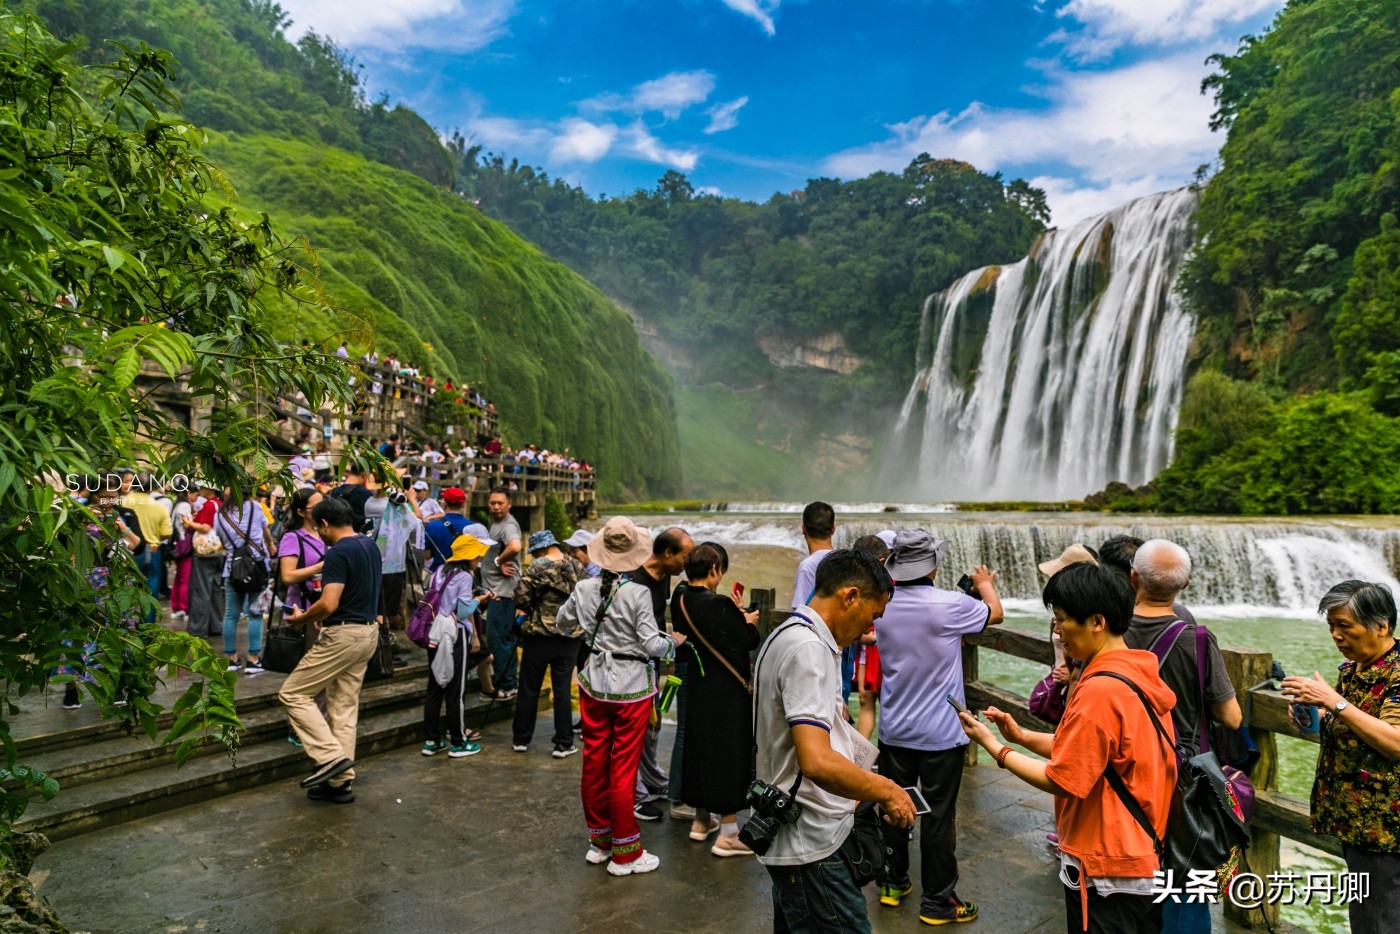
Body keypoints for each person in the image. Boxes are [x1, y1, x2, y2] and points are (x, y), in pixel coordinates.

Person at [958, 562, 1177, 934]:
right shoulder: (1135, 670)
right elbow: (1094, 752)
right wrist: (1022, 736)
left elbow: (1064, 779)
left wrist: (995, 747)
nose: (1057, 633)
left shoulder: (1098, 690)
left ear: (1096, 621)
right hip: (1140, 849)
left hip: (1107, 862)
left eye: (1061, 621)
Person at [754, 549, 916, 933]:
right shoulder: (809, 651)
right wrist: (887, 790)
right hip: (811, 844)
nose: (868, 631)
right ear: (849, 597)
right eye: (872, 616)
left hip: (794, 833)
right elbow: (817, 761)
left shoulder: (787, 634)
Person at [874, 529, 1001, 922]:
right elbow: (995, 614)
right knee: (938, 818)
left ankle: (893, 883)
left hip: (894, 728)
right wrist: (983, 585)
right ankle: (938, 902)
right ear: (933, 566)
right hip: (941, 734)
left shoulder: (883, 603)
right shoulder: (952, 605)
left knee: (895, 808)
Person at [555, 516, 687, 876]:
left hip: (593, 683)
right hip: (630, 688)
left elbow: (562, 623)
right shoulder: (638, 593)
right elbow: (650, 643)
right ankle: (626, 851)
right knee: (623, 768)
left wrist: (591, 638)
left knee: (594, 761)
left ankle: (600, 842)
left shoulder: (584, 588)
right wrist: (673, 644)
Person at [1281, 581, 1400, 934]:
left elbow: (1395, 742)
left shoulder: (1396, 673)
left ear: (1382, 626)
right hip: (1354, 818)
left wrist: (1333, 702)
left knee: (1380, 921)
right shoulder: (1354, 669)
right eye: (1331, 626)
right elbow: (1351, 727)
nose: (1335, 635)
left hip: (1385, 828)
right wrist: (1311, 712)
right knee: (1367, 915)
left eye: (1345, 626)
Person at [281, 497, 384, 804]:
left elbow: (328, 603)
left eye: (318, 528)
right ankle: (339, 783)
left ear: (324, 524)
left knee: (293, 693)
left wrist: (302, 618)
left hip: (343, 635)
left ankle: (329, 758)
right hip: (368, 632)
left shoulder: (339, 552)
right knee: (343, 708)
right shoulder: (369, 545)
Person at [671, 542, 761, 856]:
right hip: (725, 692)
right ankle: (728, 833)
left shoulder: (679, 596)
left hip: (696, 685)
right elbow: (745, 641)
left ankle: (700, 822)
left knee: (699, 748)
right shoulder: (719, 604)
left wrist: (734, 614)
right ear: (714, 570)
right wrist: (747, 620)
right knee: (727, 754)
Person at [628, 526, 694, 821]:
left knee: (651, 727)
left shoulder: (664, 577)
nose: (688, 563)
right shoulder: (633, 579)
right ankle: (635, 794)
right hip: (630, 665)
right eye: (686, 555)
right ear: (668, 553)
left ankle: (652, 778)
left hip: (653, 660)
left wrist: (666, 658)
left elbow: (658, 619)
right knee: (635, 730)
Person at [511, 531, 589, 757]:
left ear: (541, 549)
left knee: (529, 688)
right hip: (569, 637)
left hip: (538, 635)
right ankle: (564, 743)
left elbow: (520, 598)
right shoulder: (576, 566)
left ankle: (521, 739)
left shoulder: (536, 567)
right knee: (562, 689)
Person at [422, 534, 492, 759]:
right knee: (455, 688)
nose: (479, 560)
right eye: (478, 556)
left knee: (434, 686)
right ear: (470, 557)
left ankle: (432, 740)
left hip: (434, 634)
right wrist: (479, 600)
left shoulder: (439, 571)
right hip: (455, 634)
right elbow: (462, 611)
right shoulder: (464, 577)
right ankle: (459, 742)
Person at [214, 490, 273, 672]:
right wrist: (270, 545)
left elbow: (223, 542)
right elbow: (265, 531)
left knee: (231, 614)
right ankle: (253, 659)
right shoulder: (255, 507)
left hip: (233, 569)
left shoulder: (220, 513)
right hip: (257, 567)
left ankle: (231, 658)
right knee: (255, 613)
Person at [480, 487, 524, 699]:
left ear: (509, 504)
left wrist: (499, 561)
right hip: (496, 591)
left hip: (504, 593)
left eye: (500, 503)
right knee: (499, 638)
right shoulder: (497, 523)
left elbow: (515, 546)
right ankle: (507, 681)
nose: (496, 507)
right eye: (492, 503)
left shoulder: (508, 525)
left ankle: (507, 684)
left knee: (500, 639)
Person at [849, 534, 890, 740]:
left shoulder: (891, 583)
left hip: (879, 643)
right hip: (868, 644)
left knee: (884, 697)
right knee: (866, 696)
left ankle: (883, 746)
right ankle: (860, 754)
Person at [122, 473, 172, 624]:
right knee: (149, 594)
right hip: (152, 550)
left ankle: (125, 630)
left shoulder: (123, 503)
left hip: (127, 551)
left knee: (125, 593)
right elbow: (167, 533)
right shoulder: (159, 506)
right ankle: (147, 633)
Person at [373, 490, 424, 631]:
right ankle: (384, 638)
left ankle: (382, 638)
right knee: (385, 610)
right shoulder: (399, 514)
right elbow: (417, 520)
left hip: (378, 564)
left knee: (379, 607)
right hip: (393, 567)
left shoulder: (375, 509)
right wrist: (411, 500)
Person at [185, 481, 225, 639]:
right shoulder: (220, 504)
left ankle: (198, 628)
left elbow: (205, 527)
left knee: (201, 589)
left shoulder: (209, 505)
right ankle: (215, 625)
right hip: (218, 551)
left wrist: (188, 523)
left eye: (202, 487)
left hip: (205, 552)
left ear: (210, 489)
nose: (199, 489)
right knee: (215, 589)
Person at [791, 501, 835, 610]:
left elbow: (801, 612)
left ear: (803, 529)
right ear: (833, 529)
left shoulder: (807, 567)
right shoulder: (845, 560)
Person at [169, 481, 198, 625]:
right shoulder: (185, 505)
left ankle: (176, 607)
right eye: (195, 494)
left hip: (177, 545)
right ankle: (185, 608)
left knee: (178, 576)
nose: (196, 497)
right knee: (185, 578)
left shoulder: (177, 504)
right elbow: (187, 524)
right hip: (185, 546)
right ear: (188, 493)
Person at [424, 487, 470, 571]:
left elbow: (427, 555)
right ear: (463, 504)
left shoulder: (432, 526)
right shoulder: (472, 526)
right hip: (463, 575)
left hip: (438, 574)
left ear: (444, 503)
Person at [328, 466, 373, 534]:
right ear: (364, 474)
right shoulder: (365, 493)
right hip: (358, 537)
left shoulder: (335, 491)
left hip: (338, 535)